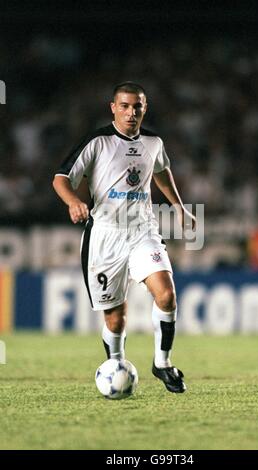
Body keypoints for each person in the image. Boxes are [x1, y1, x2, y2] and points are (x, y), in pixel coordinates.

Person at [53, 81, 195, 393]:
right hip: (105, 236)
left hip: (143, 231)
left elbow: (160, 171)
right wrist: (74, 202)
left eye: (137, 106)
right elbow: (61, 177)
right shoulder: (97, 141)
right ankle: (116, 365)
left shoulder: (154, 142)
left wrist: (179, 206)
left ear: (145, 109)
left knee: (167, 295)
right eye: (125, 106)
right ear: (113, 107)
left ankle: (162, 363)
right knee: (115, 320)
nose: (131, 112)